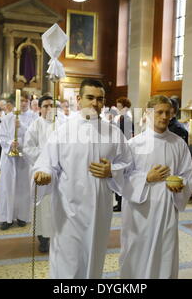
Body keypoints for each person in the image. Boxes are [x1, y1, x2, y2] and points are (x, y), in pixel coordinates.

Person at [33, 79, 132, 278]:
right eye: (90, 98)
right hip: (69, 211)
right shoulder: (63, 131)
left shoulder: (113, 133)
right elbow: (47, 162)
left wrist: (111, 170)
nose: (95, 103)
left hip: (99, 210)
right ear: (79, 100)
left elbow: (128, 165)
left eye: (100, 99)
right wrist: (43, 173)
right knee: (68, 261)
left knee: (94, 258)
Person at [119, 95, 192, 279]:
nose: (163, 116)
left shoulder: (178, 144)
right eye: (159, 112)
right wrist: (147, 177)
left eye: (167, 113)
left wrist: (181, 185)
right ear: (148, 113)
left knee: (165, 254)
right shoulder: (133, 144)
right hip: (139, 213)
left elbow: (188, 177)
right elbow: (121, 178)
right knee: (136, 253)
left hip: (166, 211)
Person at [23, 95, 59, 253]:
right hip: (42, 172)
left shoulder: (62, 125)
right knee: (42, 207)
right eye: (45, 106)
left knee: (57, 206)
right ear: (39, 108)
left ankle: (58, 237)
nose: (49, 108)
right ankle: (43, 239)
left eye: (52, 105)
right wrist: (46, 156)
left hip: (59, 173)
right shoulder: (35, 126)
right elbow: (28, 148)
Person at [0, 92, 37, 230]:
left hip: (24, 158)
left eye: (26, 100)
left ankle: (22, 216)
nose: (24, 103)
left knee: (23, 188)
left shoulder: (34, 117)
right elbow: (1, 136)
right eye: (21, 100)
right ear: (16, 102)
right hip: (9, 157)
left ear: (29, 102)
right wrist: (9, 143)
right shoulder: (7, 118)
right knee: (7, 187)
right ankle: (6, 218)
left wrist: (22, 128)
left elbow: (35, 136)